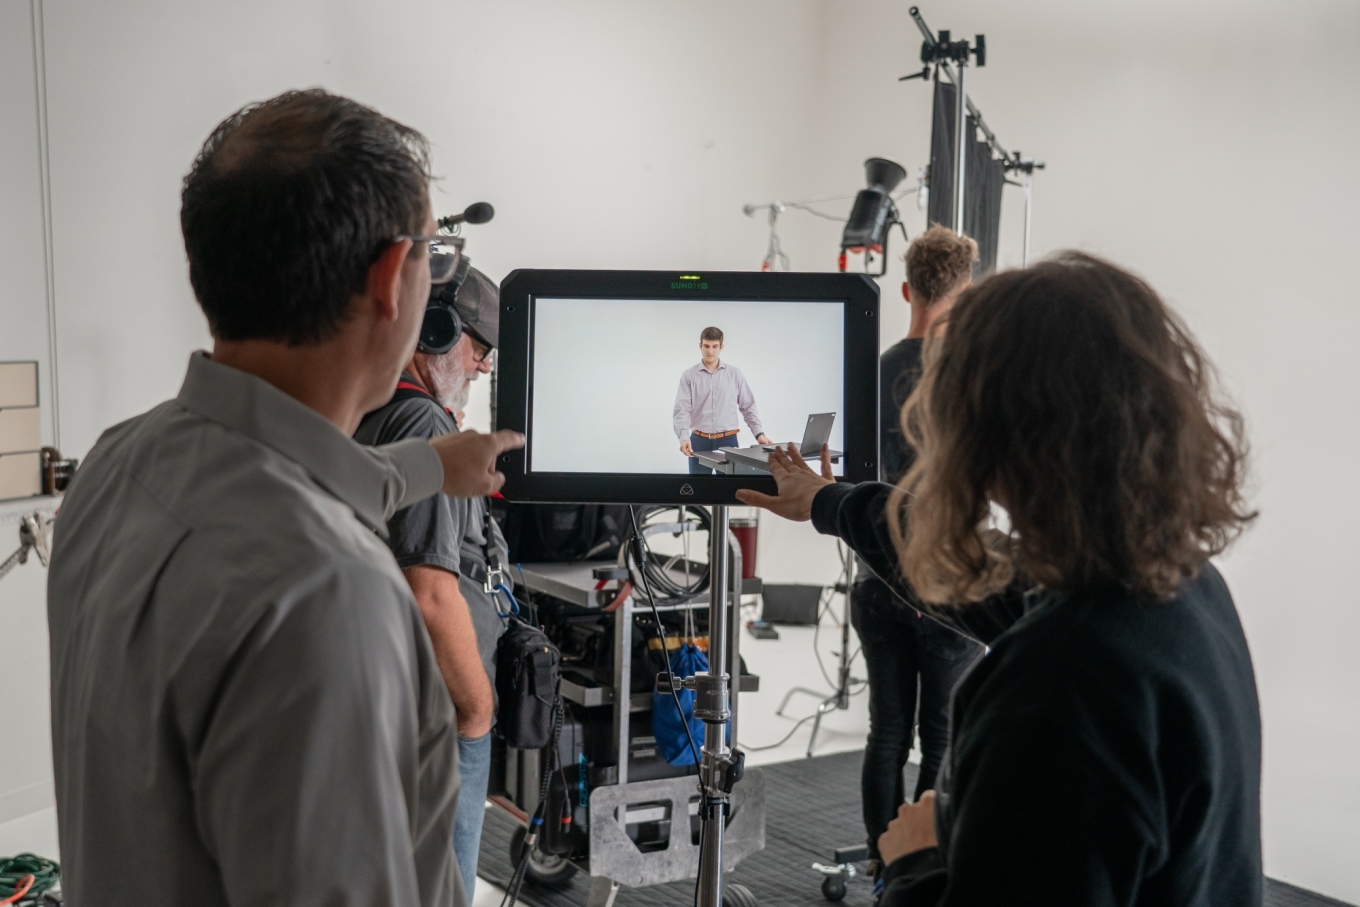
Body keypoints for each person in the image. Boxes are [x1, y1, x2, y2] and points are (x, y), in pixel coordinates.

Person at [47, 90, 524, 907]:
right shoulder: (328, 594)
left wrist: (436, 465)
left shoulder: (115, 465)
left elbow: (311, 474)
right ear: (388, 279)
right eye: (432, 258)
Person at [737, 253, 1262, 905]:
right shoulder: (1180, 586)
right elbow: (975, 574)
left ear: (986, 432)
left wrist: (915, 862)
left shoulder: (1057, 684)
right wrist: (827, 500)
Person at [354, 265, 507, 900]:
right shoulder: (424, 429)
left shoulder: (367, 409)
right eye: (480, 349)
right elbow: (431, 593)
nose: (482, 368)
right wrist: (476, 712)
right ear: (437, 332)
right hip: (439, 716)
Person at [850, 226, 983, 867]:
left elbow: (849, 477)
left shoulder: (867, 374)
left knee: (887, 733)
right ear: (966, 293)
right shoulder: (970, 378)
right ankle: (925, 869)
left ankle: (884, 864)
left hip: (876, 581)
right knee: (941, 739)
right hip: (949, 583)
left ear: (906, 289)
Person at [673, 326, 772, 473]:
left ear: (721, 347)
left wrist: (759, 434)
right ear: (700, 346)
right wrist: (683, 438)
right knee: (697, 490)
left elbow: (748, 406)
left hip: (728, 442)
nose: (710, 351)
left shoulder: (734, 374)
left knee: (729, 489)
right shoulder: (689, 376)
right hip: (698, 442)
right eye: (706, 346)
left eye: (714, 346)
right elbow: (682, 410)